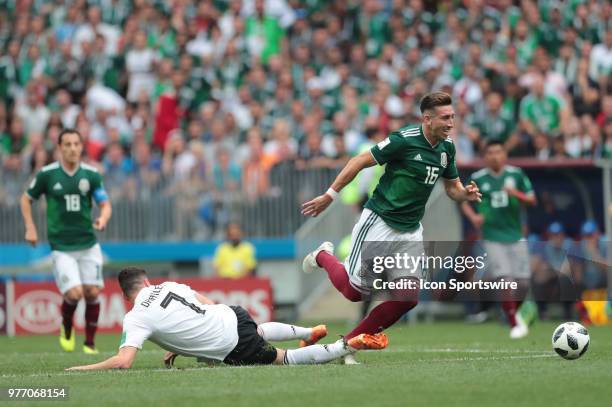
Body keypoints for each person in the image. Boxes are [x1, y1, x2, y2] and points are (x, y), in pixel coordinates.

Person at [301, 92, 481, 363]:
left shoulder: (447, 149)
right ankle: (322, 256)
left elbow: (452, 189)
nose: (451, 123)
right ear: (427, 119)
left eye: (453, 117)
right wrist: (330, 195)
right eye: (445, 118)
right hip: (380, 221)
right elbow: (359, 161)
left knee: (408, 298)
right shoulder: (403, 140)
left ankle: (347, 345)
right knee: (355, 292)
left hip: (410, 230)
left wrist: (464, 194)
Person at [65, 267, 387, 370]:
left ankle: (348, 345)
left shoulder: (135, 317)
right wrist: (181, 342)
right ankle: (307, 329)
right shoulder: (168, 286)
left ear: (125, 296)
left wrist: (81, 368)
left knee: (285, 360)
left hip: (228, 343)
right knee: (257, 328)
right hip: (231, 314)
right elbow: (204, 304)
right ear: (147, 281)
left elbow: (124, 362)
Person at [20, 128, 112, 354]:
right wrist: (30, 228)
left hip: (88, 243)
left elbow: (105, 203)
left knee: (92, 292)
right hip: (62, 246)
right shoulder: (47, 174)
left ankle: (90, 343)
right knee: (74, 293)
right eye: (67, 144)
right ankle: (67, 326)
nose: (72, 148)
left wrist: (102, 219)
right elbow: (25, 199)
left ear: (82, 147)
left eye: (76, 144)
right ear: (60, 148)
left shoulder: (91, 175)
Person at [461, 140, 536, 338]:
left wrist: (516, 194)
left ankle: (513, 313)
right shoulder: (478, 178)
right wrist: (474, 217)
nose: (495, 156)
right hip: (492, 236)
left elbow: (531, 200)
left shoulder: (516, 174)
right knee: (505, 279)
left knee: (523, 283)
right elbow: (464, 201)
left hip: (515, 234)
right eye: (491, 152)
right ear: (485, 156)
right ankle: (513, 322)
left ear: (504, 154)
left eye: (498, 152)